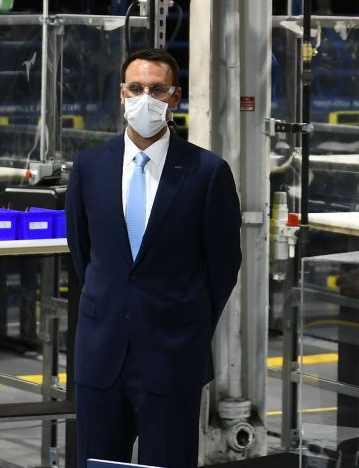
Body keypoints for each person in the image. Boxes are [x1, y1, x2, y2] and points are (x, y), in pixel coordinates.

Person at [66, 48, 242, 468]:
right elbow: (83, 252)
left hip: (172, 357)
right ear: (122, 95)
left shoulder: (207, 172)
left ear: (174, 98)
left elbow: (223, 268)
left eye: (157, 90)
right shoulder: (89, 167)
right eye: (137, 88)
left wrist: (183, 322)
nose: (146, 98)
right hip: (101, 355)